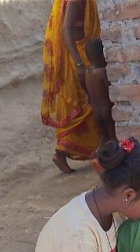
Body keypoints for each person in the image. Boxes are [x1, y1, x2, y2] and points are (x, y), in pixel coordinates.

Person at [41, 0, 103, 174]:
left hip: (84, 51)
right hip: (77, 56)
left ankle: (91, 152)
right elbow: (66, 29)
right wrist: (79, 64)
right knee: (88, 104)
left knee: (91, 104)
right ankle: (62, 152)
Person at [85, 39, 116, 146]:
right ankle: (115, 159)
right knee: (113, 138)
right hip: (106, 111)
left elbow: (89, 95)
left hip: (96, 112)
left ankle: (101, 155)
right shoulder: (102, 72)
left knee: (103, 137)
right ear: (103, 56)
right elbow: (110, 91)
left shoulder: (87, 73)